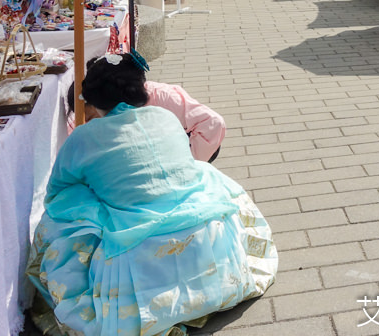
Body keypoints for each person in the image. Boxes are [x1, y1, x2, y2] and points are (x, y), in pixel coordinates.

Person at [29, 53, 276, 336]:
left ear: (93, 100)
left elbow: (56, 192)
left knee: (63, 209)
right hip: (208, 241)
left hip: (136, 253)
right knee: (206, 173)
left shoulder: (83, 138)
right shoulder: (165, 117)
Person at [66, 70, 226, 162]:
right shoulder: (107, 112)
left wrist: (186, 163)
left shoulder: (163, 98)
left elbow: (213, 123)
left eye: (92, 117)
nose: (90, 123)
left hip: (193, 147)